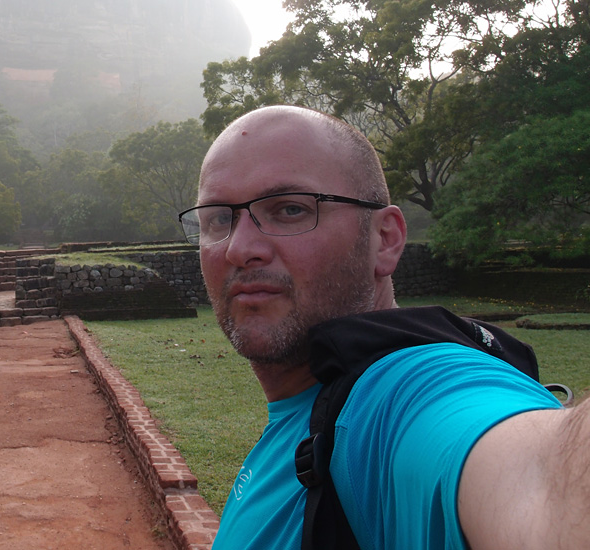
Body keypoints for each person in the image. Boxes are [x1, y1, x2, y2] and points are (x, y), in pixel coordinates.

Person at [180, 105, 589, 550]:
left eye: (290, 209)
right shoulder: (301, 414)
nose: (239, 249)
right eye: (219, 218)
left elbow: (544, 485)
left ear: (385, 239)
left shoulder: (397, 399)